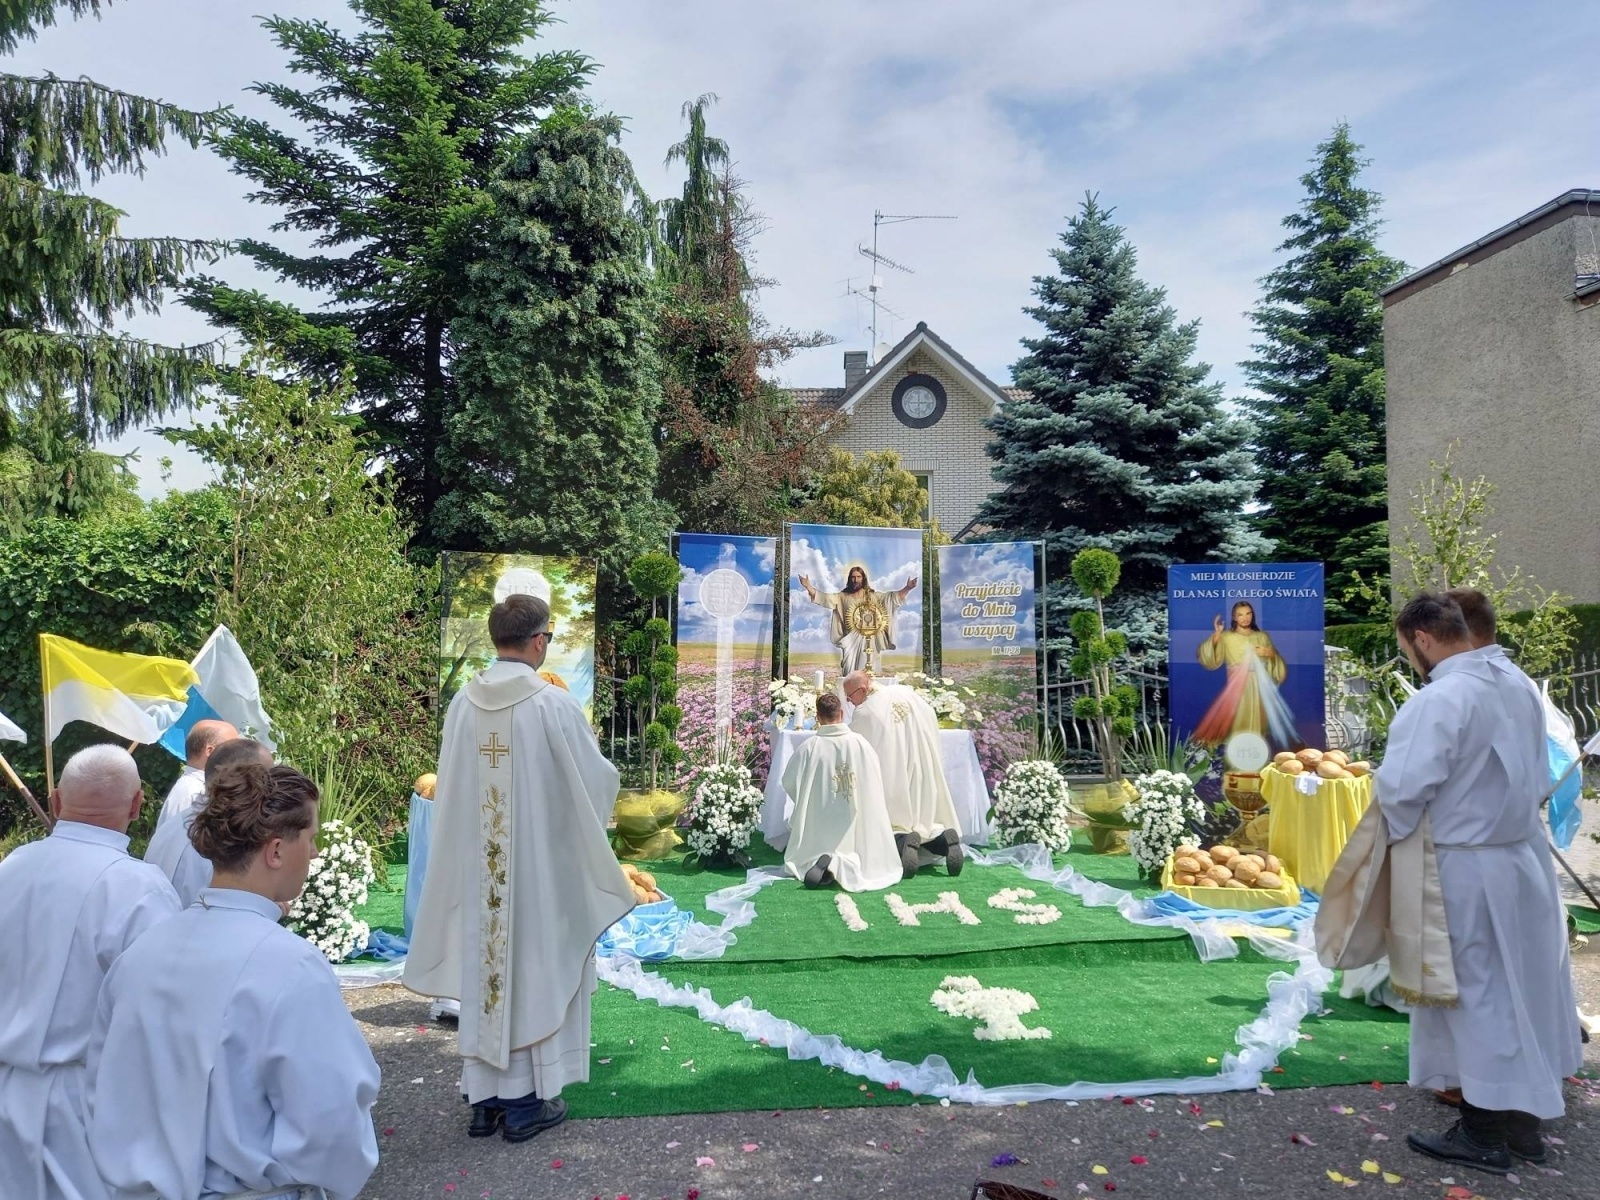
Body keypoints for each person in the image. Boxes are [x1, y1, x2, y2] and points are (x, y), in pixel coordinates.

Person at [87, 760, 381, 1200]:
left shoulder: (141, 954)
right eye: (311, 838)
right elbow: (331, 1115)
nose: (316, 853)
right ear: (276, 850)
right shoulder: (290, 965)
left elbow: (101, 1085)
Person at [405, 593, 634, 1143]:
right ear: (538, 641)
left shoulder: (463, 702)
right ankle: (527, 1101)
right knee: (535, 971)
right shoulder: (553, 706)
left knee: (490, 974)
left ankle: (484, 1099)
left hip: (481, 875)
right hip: (535, 877)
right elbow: (593, 784)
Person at [1378, 593, 1581, 1175]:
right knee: (1527, 989)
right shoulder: (1516, 682)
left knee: (1478, 994)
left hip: (1464, 866)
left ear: (1420, 639)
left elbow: (1401, 791)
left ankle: (1483, 1133)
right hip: (1522, 858)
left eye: (1405, 648)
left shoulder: (1440, 698)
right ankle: (1524, 1128)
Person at [0, 745, 180, 1200]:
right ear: (138, 805)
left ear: (57, 801)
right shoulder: (139, 886)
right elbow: (160, 1015)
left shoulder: (11, 868)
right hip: (88, 1104)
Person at [843, 670, 963, 879]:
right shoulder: (906, 692)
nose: (850, 702)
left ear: (862, 689)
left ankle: (904, 842)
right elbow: (930, 718)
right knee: (924, 818)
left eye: (850, 696)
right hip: (921, 768)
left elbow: (855, 747)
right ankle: (943, 839)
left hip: (892, 774)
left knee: (895, 821)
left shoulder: (865, 712)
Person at [780, 692, 902, 891]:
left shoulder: (809, 748)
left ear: (818, 717)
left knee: (810, 847)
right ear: (842, 713)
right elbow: (875, 780)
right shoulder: (861, 744)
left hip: (820, 821)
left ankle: (823, 859)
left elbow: (789, 782)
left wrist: (808, 800)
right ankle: (844, 861)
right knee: (866, 851)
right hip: (856, 823)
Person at [144, 736, 274, 907]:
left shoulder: (173, 825)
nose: (272, 789)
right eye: (267, 778)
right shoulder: (223, 839)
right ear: (247, 781)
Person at [1193, 600, 1297, 755]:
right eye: (1240, 615)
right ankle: (1235, 754)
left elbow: (1276, 664)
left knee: (1259, 722)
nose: (1245, 618)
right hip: (1237, 686)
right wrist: (1217, 635)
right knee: (1237, 718)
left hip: (1260, 686)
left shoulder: (1262, 637)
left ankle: (1255, 754)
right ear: (1234, 618)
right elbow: (1210, 659)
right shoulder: (1226, 637)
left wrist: (1271, 654)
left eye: (1248, 613)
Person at [799, 565, 918, 676]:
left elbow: (891, 598)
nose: (855, 580)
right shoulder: (842, 596)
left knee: (869, 674)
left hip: (870, 640)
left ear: (863, 578)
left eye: (858, 577)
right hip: (850, 640)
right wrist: (808, 586)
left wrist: (907, 588)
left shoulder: (872, 596)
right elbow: (825, 598)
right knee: (849, 672)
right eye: (853, 577)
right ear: (850, 579)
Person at [154, 718, 237, 830]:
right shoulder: (194, 794)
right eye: (233, 749)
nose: (238, 757)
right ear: (210, 751)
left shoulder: (191, 788)